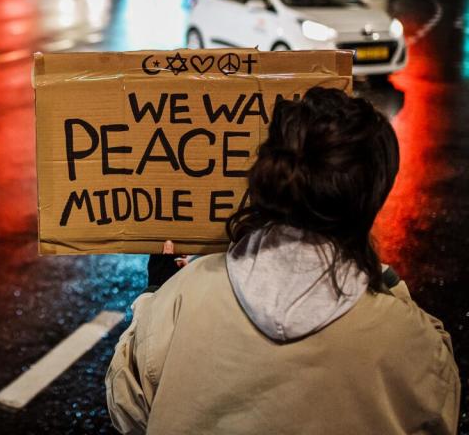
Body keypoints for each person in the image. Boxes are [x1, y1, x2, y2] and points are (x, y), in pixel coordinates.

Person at [106, 87, 460, 435]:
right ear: (369, 198)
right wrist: (387, 285)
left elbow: (128, 409)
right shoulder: (409, 339)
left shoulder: (182, 298)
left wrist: (156, 295)